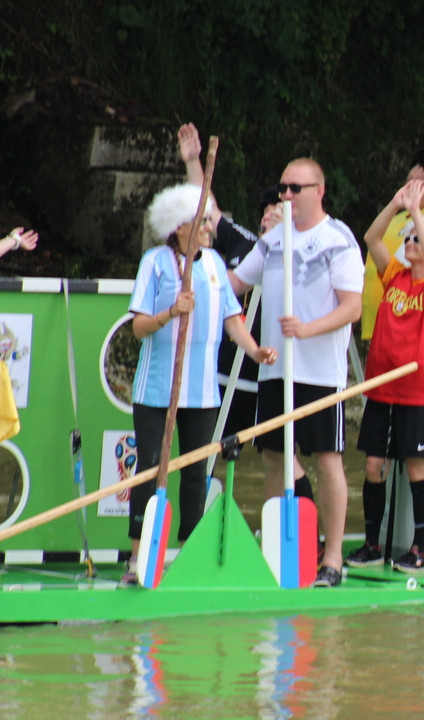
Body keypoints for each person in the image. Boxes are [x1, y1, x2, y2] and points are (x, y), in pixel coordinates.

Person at [125, 184, 277, 584]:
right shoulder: (155, 263)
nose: (211, 227)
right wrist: (171, 312)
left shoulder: (213, 265)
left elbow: (232, 319)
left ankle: (189, 556)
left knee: (196, 474)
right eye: (203, 221)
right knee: (151, 469)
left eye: (209, 220)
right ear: (179, 228)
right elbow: (138, 327)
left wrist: (256, 350)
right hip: (157, 390)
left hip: (202, 392)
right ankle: (137, 557)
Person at [230, 158, 365, 588]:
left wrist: (307, 329)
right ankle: (279, 547)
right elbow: (235, 284)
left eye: (295, 188)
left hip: (320, 372)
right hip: (275, 369)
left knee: (327, 460)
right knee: (274, 458)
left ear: (319, 191)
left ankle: (332, 559)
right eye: (282, 187)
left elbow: (352, 306)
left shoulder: (337, 239)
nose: (286, 196)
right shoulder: (272, 240)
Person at [176, 124, 319, 502]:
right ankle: (202, 519)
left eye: (283, 208)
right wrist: (194, 162)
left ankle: (305, 528)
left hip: (269, 372)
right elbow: (207, 209)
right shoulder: (244, 243)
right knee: (208, 446)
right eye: (270, 208)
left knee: (280, 454)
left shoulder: (303, 253)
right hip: (227, 369)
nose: (274, 214)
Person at [348, 176, 424, 573]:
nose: (409, 243)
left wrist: (417, 213)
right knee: (374, 465)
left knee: (416, 467)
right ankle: (372, 543)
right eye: (407, 238)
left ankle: (419, 548)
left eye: (416, 239)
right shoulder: (393, 274)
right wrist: (396, 204)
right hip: (382, 388)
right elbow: (372, 238)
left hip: (421, 391)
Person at [361, 142, 424, 341]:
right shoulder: (394, 218)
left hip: (406, 320)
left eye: (421, 183)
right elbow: (371, 239)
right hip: (377, 319)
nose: (412, 187)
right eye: (410, 180)